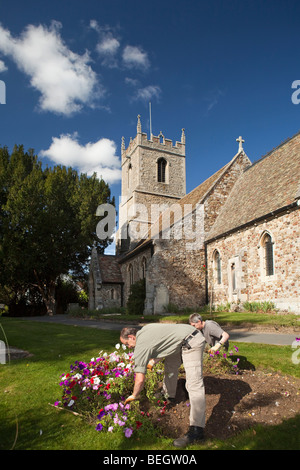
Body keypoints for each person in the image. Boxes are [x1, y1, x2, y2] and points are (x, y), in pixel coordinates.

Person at [120, 323, 206, 447]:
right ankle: (168, 395)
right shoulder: (145, 330)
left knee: (194, 384)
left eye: (127, 344)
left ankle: (197, 430)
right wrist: (154, 361)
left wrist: (134, 395)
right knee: (170, 368)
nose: (128, 347)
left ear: (132, 337)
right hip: (182, 339)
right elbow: (165, 342)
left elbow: (139, 379)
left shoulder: (141, 344)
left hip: (191, 341)